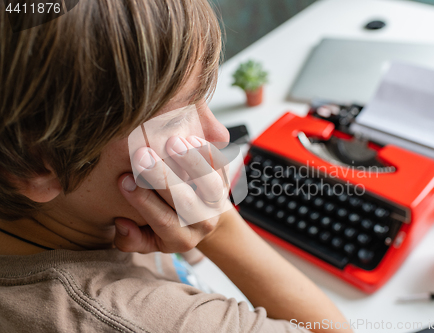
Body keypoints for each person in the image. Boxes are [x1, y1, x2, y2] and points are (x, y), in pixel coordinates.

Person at [0, 1, 352, 332]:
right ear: (35, 166)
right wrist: (222, 228)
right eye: (173, 120)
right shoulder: (144, 318)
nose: (218, 134)